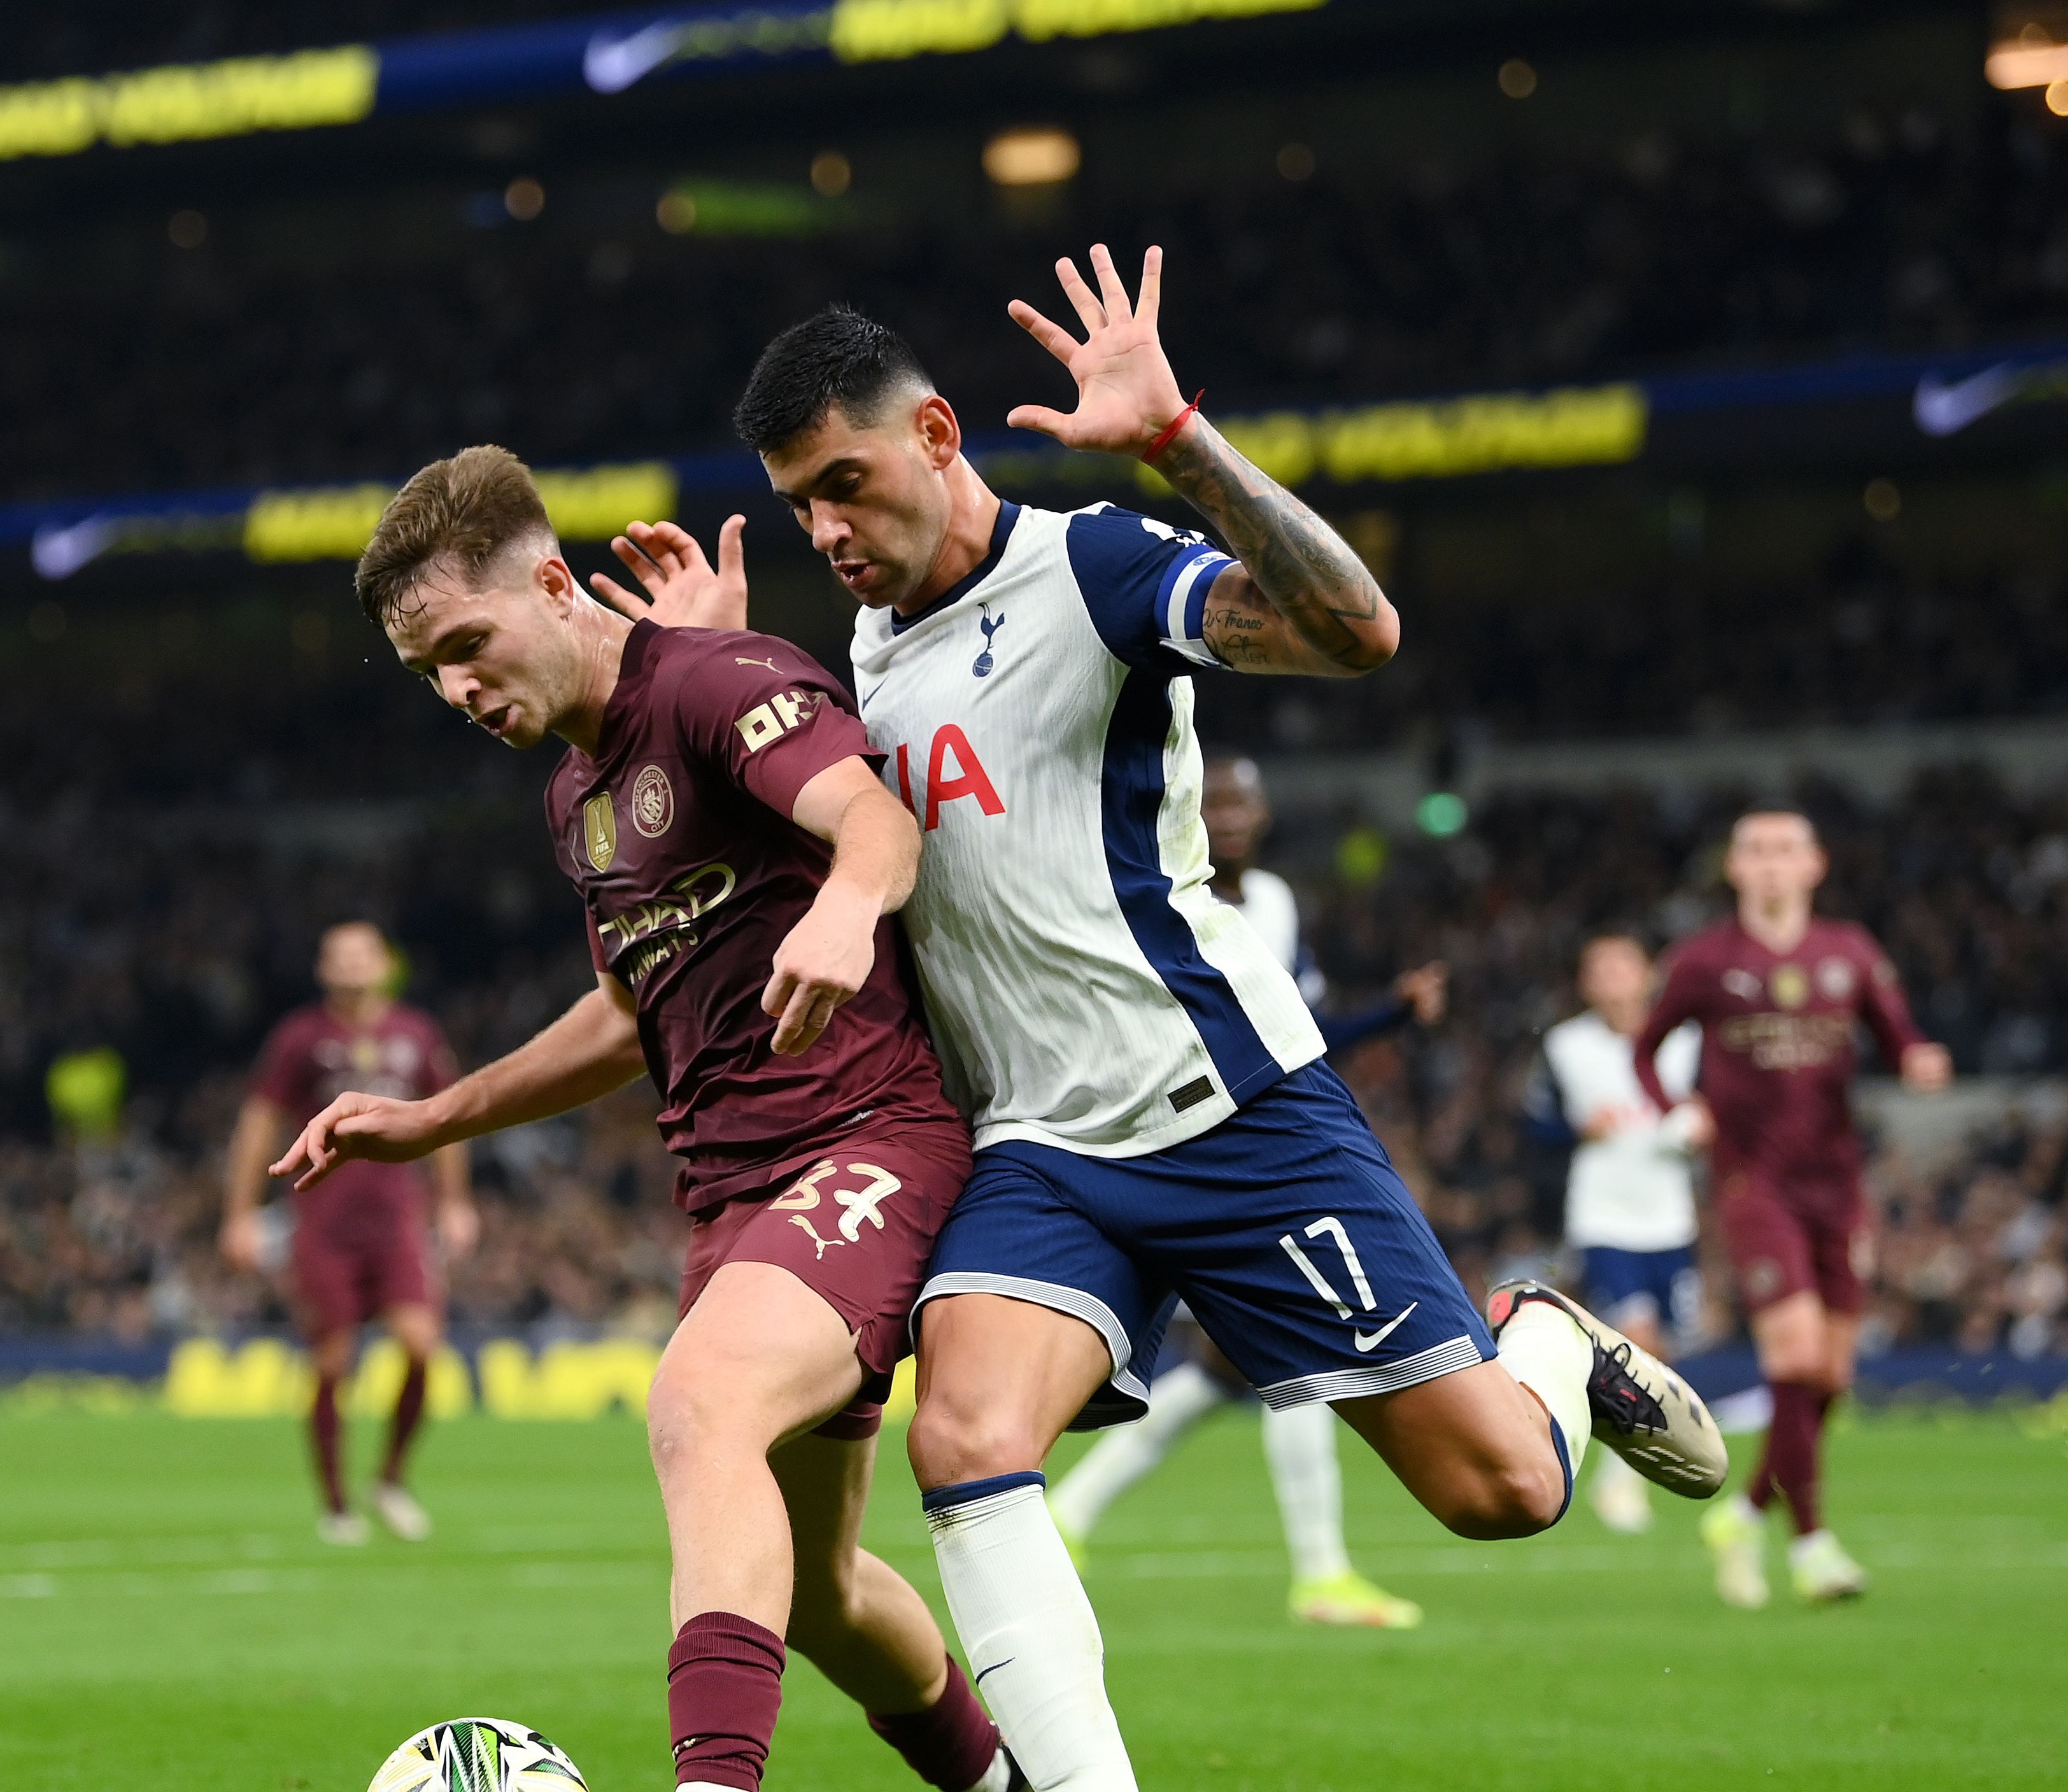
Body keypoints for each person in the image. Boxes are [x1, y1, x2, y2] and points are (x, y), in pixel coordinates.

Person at [603, 248, 1724, 1791]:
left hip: (1233, 1114)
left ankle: (1539, 1341)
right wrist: (716, 664)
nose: (826, 531)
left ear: (935, 436)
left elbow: (1356, 633)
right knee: (963, 1433)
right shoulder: (859, 654)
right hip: (1039, 1152)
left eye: (846, 484)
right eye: (801, 504)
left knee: (1497, 1493)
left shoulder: (1092, 567)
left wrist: (1178, 441)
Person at [272, 446, 1011, 1792]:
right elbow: (627, 1012)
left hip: (868, 1142)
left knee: (699, 1402)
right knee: (829, 1596)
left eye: (469, 644)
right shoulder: (578, 797)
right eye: (429, 670)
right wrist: (433, 1116)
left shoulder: (720, 681)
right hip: (732, 1202)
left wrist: (848, 911)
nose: (457, 690)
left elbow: (877, 826)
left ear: (554, 584)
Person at [1047, 754, 1441, 1628]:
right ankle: (1323, 1574)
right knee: (1304, 1354)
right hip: (1182, 1144)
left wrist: (1391, 1015)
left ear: (1264, 814)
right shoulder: (1155, 886)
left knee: (1231, 1373)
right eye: (1213, 796)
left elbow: (1297, 1026)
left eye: (1242, 799)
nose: (1227, 813)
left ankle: (1069, 1513)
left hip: (1263, 1141)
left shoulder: (1275, 902)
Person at [1632, 810, 1950, 1607]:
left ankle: (1742, 1513)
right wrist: (1678, 1107)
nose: (1771, 865)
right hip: (1754, 1185)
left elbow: (1900, 1033)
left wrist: (1918, 1057)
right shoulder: (1705, 959)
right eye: (1756, 851)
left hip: (1837, 1186)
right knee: (1798, 1360)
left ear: (1816, 865)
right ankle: (1812, 1545)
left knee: (1829, 1379)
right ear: (1734, 868)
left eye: (1785, 851)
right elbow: (1644, 1047)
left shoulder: (1851, 953)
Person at [220, 920, 478, 1545]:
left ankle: (389, 1479)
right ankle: (336, 1503)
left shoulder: (416, 1034)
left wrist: (456, 1202)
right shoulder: (300, 1038)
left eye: (362, 954)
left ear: (386, 963)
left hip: (396, 1222)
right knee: (333, 1361)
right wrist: (239, 1212)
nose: (352, 965)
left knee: (421, 1345)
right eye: (339, 955)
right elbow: (258, 1123)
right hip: (324, 1223)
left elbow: (447, 1117)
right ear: (322, 968)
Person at [1529, 932, 1710, 1535]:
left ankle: (1620, 1468)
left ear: (1647, 976)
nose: (1610, 980)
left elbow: (1717, 1108)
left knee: (1666, 1352)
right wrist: (1577, 1128)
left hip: (1671, 1215)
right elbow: (1534, 1122)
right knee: (1636, 1337)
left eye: (1621, 967)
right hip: (1603, 1216)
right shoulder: (1565, 1045)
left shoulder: (1687, 1040)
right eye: (1598, 968)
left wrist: (1705, 1126)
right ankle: (1620, 1485)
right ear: (1585, 983)